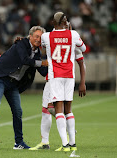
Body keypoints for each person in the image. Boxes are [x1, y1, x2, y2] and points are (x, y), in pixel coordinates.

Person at [0, 26, 48, 151]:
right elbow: (25, 60)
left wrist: (54, 62)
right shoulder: (22, 44)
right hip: (0, 78)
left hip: (13, 83)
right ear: (30, 36)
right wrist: (43, 62)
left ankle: (18, 143)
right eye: (36, 36)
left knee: (18, 112)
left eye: (40, 37)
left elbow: (43, 71)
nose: (38, 39)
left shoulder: (37, 51)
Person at [40, 12, 86, 152]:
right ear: (66, 22)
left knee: (58, 109)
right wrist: (70, 33)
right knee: (69, 110)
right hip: (69, 75)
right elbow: (83, 49)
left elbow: (42, 48)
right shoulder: (73, 35)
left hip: (55, 76)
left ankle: (65, 144)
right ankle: (73, 143)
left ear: (53, 23)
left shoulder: (46, 36)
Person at [30, 48, 85, 151]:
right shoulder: (63, 39)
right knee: (46, 109)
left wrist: (83, 81)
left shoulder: (67, 40)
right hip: (55, 79)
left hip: (57, 79)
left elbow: (82, 56)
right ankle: (45, 142)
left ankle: (67, 136)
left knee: (55, 109)